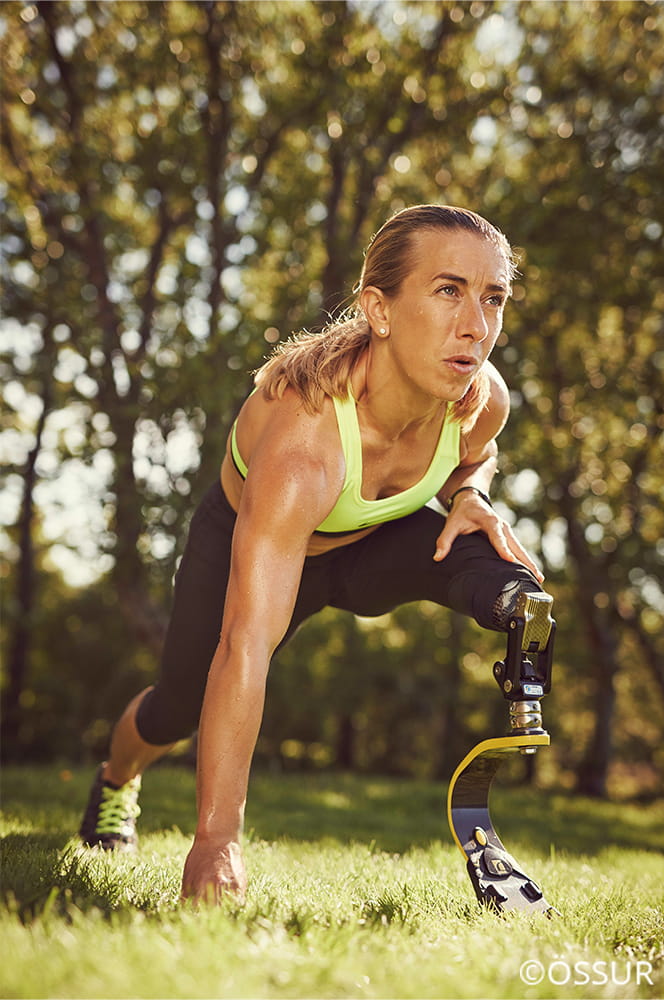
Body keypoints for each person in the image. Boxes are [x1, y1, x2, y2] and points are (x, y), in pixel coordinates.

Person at [79, 204, 550, 905]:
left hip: (372, 544)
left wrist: (470, 493)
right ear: (378, 310)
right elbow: (245, 648)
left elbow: (476, 454)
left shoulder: (480, 400)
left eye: (493, 298)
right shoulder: (303, 448)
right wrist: (216, 841)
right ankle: (116, 782)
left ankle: (514, 614)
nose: (476, 326)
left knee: (497, 569)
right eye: (448, 290)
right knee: (178, 708)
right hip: (256, 538)